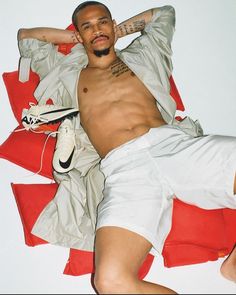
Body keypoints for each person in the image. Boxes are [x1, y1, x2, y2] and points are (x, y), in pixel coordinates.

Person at [17, 1, 236, 294]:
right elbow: (27, 37)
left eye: (102, 21)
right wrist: (83, 37)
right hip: (124, 170)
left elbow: (164, 14)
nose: (97, 29)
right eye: (88, 25)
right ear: (79, 35)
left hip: (172, 146)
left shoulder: (145, 56)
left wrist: (114, 32)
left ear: (113, 23)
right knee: (109, 281)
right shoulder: (66, 73)